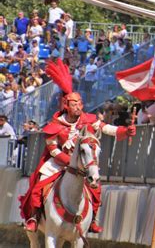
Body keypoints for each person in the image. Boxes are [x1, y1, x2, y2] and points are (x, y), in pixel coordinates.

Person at [19, 59, 136, 233]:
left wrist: (124, 131)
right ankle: (34, 217)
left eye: (80, 103)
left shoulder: (88, 120)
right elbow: (53, 149)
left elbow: (105, 128)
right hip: (58, 163)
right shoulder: (55, 125)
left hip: (83, 162)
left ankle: (93, 219)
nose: (78, 107)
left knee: (95, 188)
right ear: (66, 105)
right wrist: (68, 161)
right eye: (74, 104)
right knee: (39, 185)